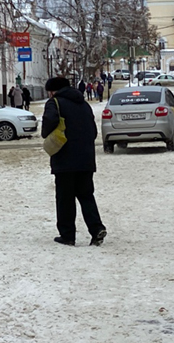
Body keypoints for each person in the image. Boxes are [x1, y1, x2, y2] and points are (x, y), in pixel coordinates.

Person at [41, 77, 107, 247]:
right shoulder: (84, 104)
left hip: (64, 158)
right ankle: (96, 228)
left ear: (53, 91)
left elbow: (48, 124)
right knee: (86, 195)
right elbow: (92, 131)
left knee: (65, 198)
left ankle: (67, 235)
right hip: (86, 158)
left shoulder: (54, 103)